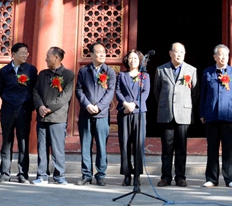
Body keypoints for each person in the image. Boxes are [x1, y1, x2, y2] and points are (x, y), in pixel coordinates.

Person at [153, 42, 198, 187]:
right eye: (176, 52)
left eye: (182, 52)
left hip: (183, 113)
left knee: (181, 148)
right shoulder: (161, 70)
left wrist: (184, 104)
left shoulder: (191, 70)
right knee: (166, 148)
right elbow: (157, 91)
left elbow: (194, 92)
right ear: (170, 53)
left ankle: (180, 177)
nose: (179, 55)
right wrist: (167, 103)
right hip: (166, 112)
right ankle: (165, 177)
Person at [200, 44, 232, 188]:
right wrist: (202, 113)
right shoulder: (207, 72)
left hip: (229, 114)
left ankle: (230, 178)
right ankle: (211, 179)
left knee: (228, 149)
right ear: (215, 57)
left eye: (225, 54)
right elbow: (203, 95)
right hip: (211, 114)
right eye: (220, 54)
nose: (223, 57)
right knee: (212, 148)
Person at [0, 42, 38, 184]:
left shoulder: (31, 70)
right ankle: (4, 173)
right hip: (8, 109)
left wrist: (28, 105)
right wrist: (9, 101)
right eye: (22, 52)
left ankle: (23, 174)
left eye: (26, 52)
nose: (25, 55)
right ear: (13, 54)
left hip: (24, 110)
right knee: (6, 142)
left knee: (23, 141)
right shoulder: (4, 71)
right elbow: (1, 89)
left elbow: (34, 89)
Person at [32, 47, 75, 185]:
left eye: (48, 56)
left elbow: (65, 96)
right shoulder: (42, 74)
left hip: (57, 117)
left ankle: (59, 175)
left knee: (57, 148)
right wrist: (40, 106)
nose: (46, 59)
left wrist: (49, 108)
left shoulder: (68, 75)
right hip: (42, 116)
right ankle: (42, 175)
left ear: (56, 57)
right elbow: (35, 91)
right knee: (42, 147)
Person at [75, 43, 116, 186]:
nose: (102, 54)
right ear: (91, 55)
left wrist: (99, 107)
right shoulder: (83, 71)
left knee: (101, 146)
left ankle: (101, 175)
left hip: (102, 114)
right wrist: (87, 105)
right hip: (86, 113)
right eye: (98, 52)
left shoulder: (110, 72)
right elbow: (79, 90)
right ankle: (86, 175)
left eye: (104, 51)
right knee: (85, 145)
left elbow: (110, 92)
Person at [115, 49, 151, 186]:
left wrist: (134, 104)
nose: (133, 60)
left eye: (135, 58)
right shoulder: (121, 75)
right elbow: (117, 90)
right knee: (125, 144)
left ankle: (137, 175)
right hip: (124, 112)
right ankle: (126, 174)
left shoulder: (144, 76)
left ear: (140, 60)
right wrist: (125, 104)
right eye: (130, 58)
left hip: (139, 112)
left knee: (138, 144)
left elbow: (145, 93)